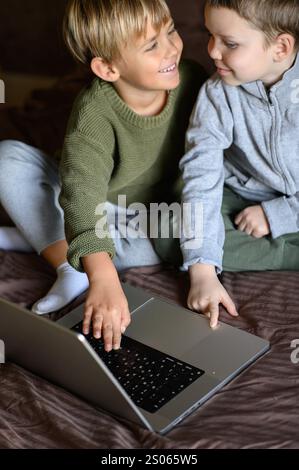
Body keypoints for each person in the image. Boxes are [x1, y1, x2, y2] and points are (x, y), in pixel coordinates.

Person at [0, 0, 206, 351]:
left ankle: (40, 235)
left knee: (175, 239)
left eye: (170, 30)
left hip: (142, 215)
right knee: (7, 158)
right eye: (151, 45)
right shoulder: (94, 111)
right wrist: (102, 275)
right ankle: (71, 268)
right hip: (88, 200)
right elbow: (81, 191)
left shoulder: (193, 80)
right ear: (108, 68)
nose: (171, 47)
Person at [179, 0, 299, 330]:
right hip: (241, 192)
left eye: (229, 43)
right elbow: (201, 175)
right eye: (210, 36)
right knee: (178, 231)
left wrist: (279, 215)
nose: (213, 51)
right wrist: (202, 270)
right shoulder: (218, 93)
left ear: (281, 47)